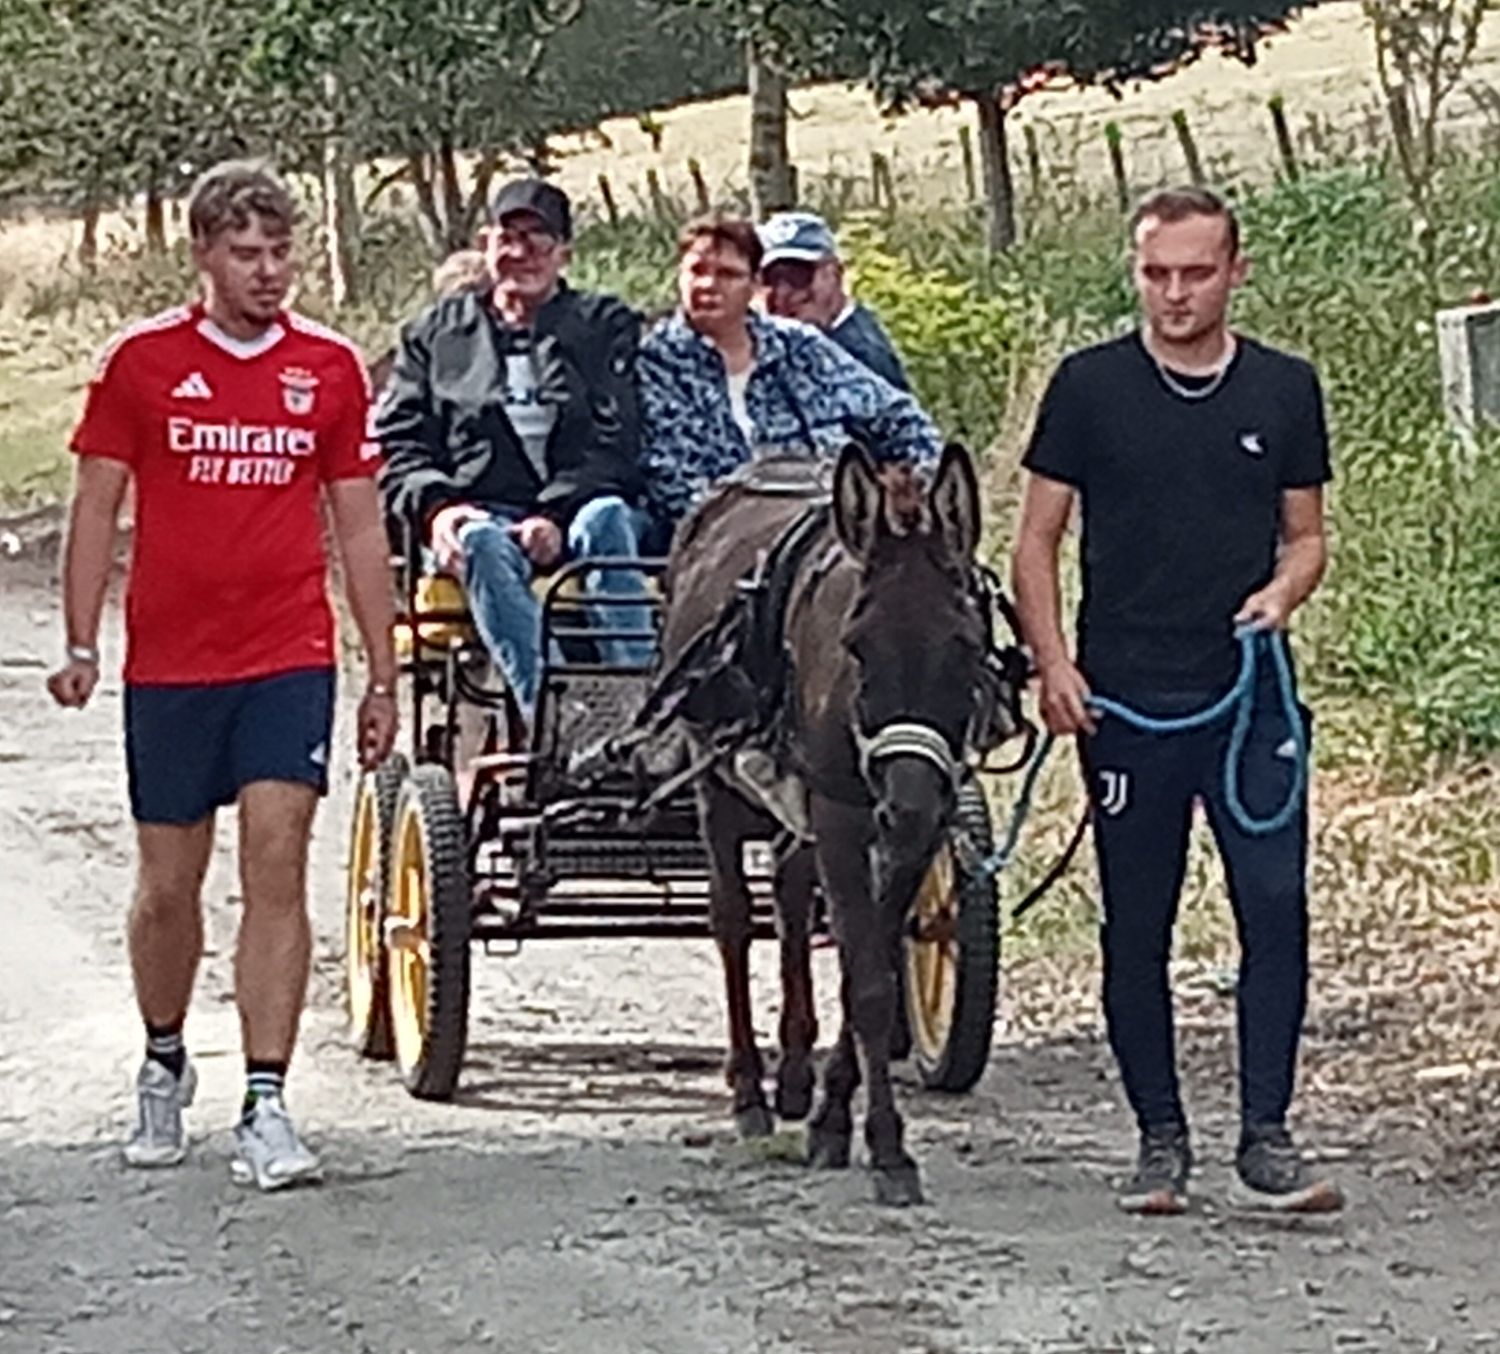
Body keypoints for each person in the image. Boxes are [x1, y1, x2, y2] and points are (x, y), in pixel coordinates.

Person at [46, 160, 398, 1191]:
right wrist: (80, 642)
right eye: (246, 253)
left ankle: (266, 1099)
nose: (267, 271)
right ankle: (163, 1057)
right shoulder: (142, 363)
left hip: (286, 653)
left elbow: (359, 522)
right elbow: (96, 506)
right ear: (202, 253)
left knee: (278, 857)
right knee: (169, 885)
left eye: (281, 252)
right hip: (172, 661)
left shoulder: (328, 368)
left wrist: (382, 670)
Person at [1011, 186, 1343, 1217]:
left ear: (1235, 273)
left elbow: (1306, 536)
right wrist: (1054, 665)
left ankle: (1267, 1135)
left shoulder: (1284, 388)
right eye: (1157, 273)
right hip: (1125, 699)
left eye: (1197, 273)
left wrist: (1283, 594)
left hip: (1248, 698)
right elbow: (1035, 541)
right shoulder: (1089, 386)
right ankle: (1160, 1139)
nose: (1175, 293)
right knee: (1138, 921)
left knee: (1275, 907)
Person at [375, 178, 652, 730]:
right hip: (479, 510)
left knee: (607, 519)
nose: (521, 253)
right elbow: (401, 445)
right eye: (508, 238)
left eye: (538, 240)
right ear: (486, 244)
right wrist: (439, 510)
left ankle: (640, 711)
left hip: (580, 506)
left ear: (564, 253)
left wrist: (554, 514)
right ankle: (557, 721)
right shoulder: (435, 335)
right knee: (480, 541)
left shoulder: (602, 326)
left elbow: (617, 441)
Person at [638, 213, 940, 537]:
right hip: (724, 535)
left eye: (728, 274)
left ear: (753, 284)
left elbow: (901, 419)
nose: (708, 285)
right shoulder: (653, 362)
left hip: (832, 521)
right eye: (697, 271)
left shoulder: (799, 347)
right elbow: (672, 482)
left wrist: (921, 486)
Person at [758, 210, 910, 390]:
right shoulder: (795, 347)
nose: (783, 293)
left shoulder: (860, 359)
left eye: (797, 275)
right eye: (770, 279)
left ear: (835, 274)